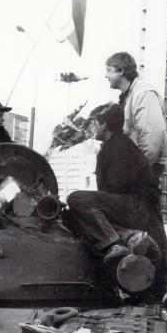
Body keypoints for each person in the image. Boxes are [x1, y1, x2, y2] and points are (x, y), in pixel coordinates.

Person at [66, 103, 159, 264]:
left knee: (76, 199)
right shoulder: (115, 145)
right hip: (132, 206)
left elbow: (116, 186)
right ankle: (127, 236)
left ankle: (114, 243)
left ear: (104, 125)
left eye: (95, 123)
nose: (92, 127)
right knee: (72, 215)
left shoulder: (119, 147)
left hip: (134, 206)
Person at [105, 52, 167, 267]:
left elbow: (152, 137)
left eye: (109, 70)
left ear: (121, 71)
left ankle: (159, 280)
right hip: (137, 171)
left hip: (143, 172)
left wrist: (136, 173)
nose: (106, 76)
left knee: (152, 227)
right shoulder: (129, 96)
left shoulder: (143, 93)